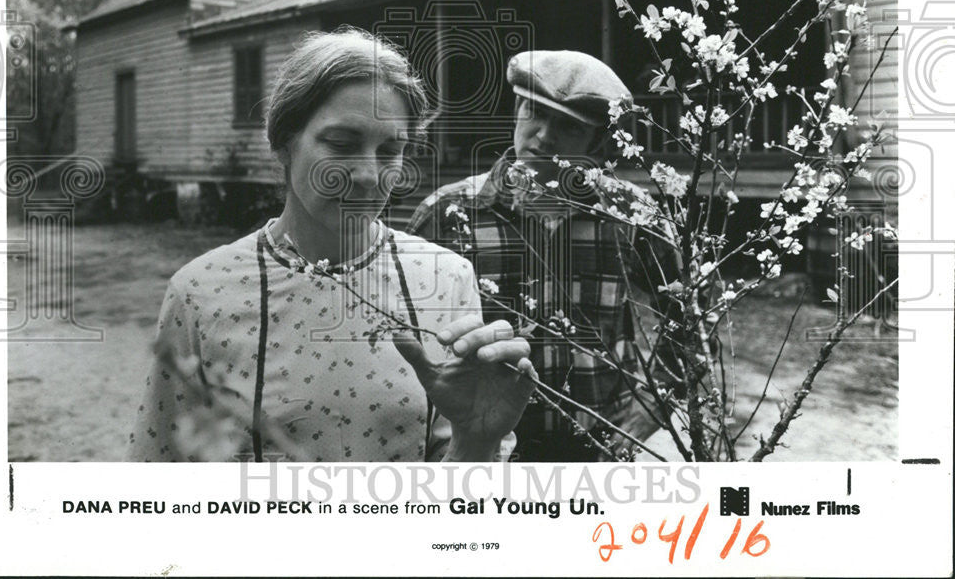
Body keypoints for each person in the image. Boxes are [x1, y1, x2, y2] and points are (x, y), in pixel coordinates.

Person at [129, 29, 534, 462]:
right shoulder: (200, 294)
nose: (366, 173)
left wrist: (475, 442)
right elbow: (160, 474)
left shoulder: (445, 277)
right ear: (283, 141)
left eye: (390, 150)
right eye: (341, 144)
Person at [407, 49, 680, 461]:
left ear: (598, 141)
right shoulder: (448, 214)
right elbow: (410, 339)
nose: (544, 136)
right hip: (485, 449)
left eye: (569, 127)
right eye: (534, 112)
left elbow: (693, 315)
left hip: (596, 451)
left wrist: (651, 407)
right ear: (517, 108)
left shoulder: (630, 215)